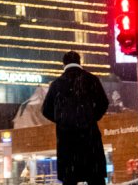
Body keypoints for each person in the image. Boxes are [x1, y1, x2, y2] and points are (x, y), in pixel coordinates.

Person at [41, 51, 108, 185]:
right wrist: (91, 117)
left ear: (64, 64)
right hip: (90, 139)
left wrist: (62, 120)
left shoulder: (57, 84)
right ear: (79, 62)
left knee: (69, 178)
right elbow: (103, 103)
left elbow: (46, 110)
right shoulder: (91, 80)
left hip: (67, 140)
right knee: (95, 178)